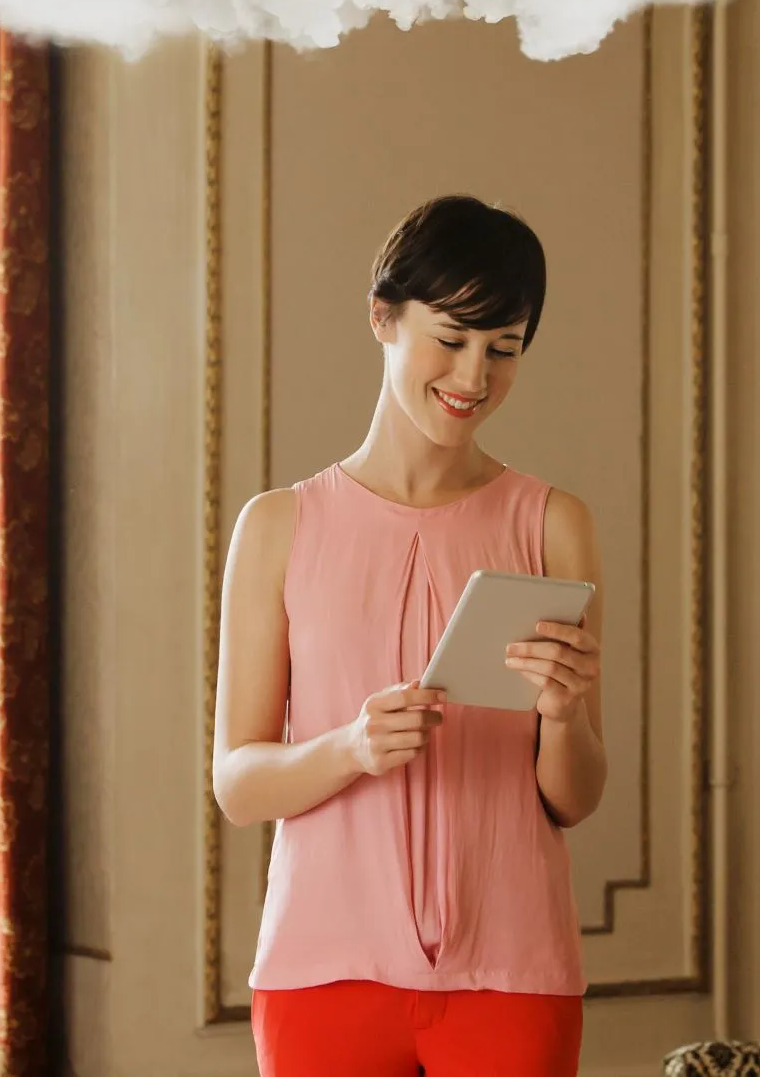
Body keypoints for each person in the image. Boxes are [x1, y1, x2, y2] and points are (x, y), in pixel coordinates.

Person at [211, 193, 604, 1077]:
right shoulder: (277, 526)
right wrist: (351, 746)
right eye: (452, 338)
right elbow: (238, 782)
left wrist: (566, 714)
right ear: (383, 318)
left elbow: (572, 798)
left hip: (515, 973)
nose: (475, 376)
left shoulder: (555, 524)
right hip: (323, 974)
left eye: (504, 349)